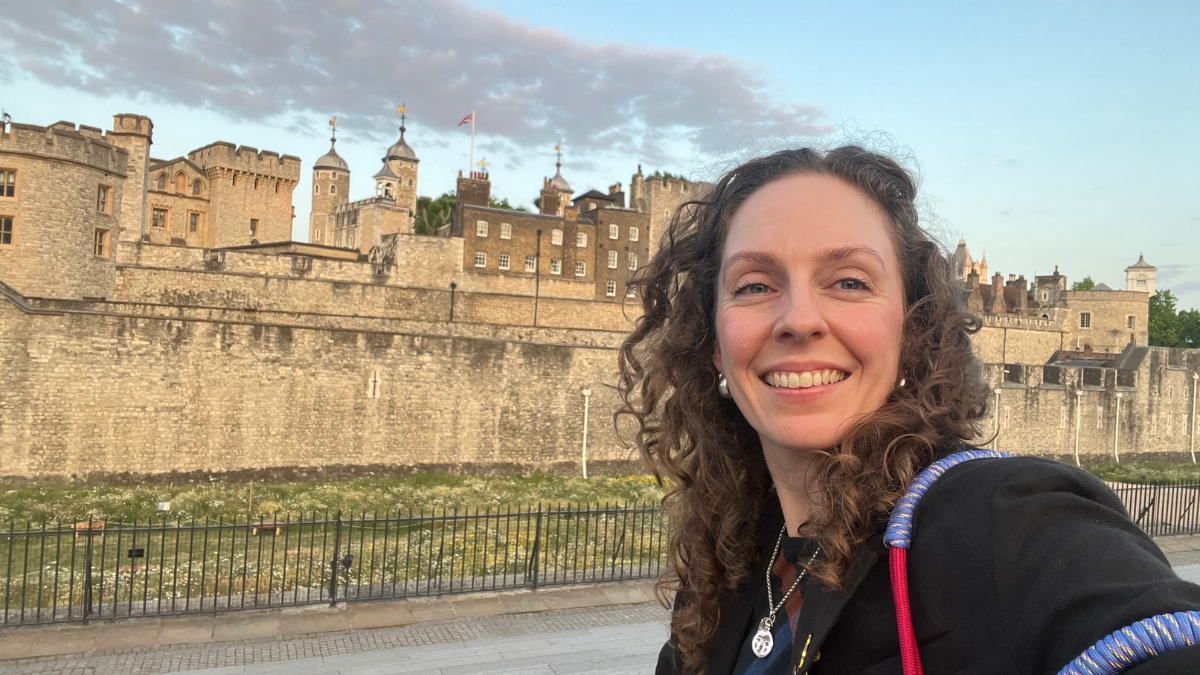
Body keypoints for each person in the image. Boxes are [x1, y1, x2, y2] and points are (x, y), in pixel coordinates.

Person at [616, 147, 1200, 675]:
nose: (798, 318)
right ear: (713, 342)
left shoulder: (1003, 523)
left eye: (848, 281)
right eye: (752, 286)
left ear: (912, 328)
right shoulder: (728, 567)